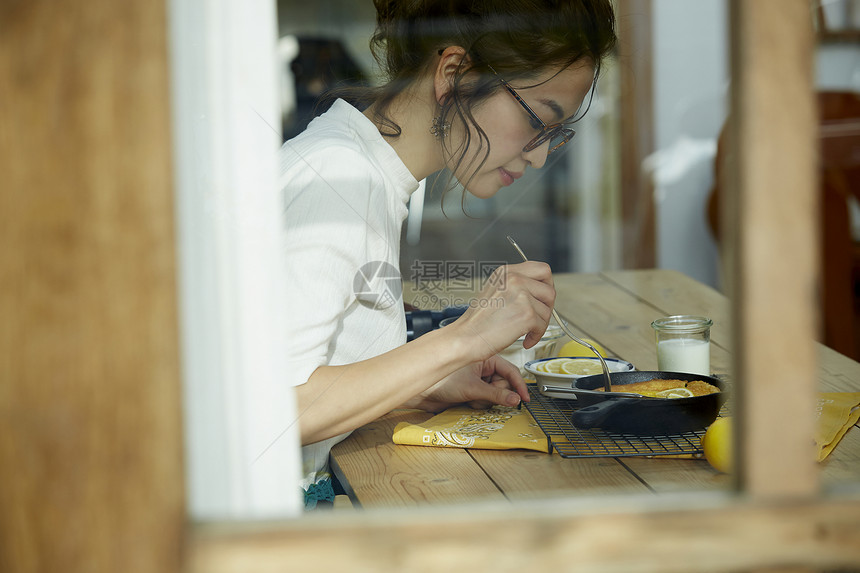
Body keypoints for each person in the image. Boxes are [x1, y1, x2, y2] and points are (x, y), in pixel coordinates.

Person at [281, 0, 617, 508]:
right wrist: (463, 339)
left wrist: (419, 385)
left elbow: (315, 366)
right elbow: (273, 412)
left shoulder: (367, 172)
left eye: (557, 134)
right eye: (536, 120)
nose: (541, 153)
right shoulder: (336, 177)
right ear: (454, 72)